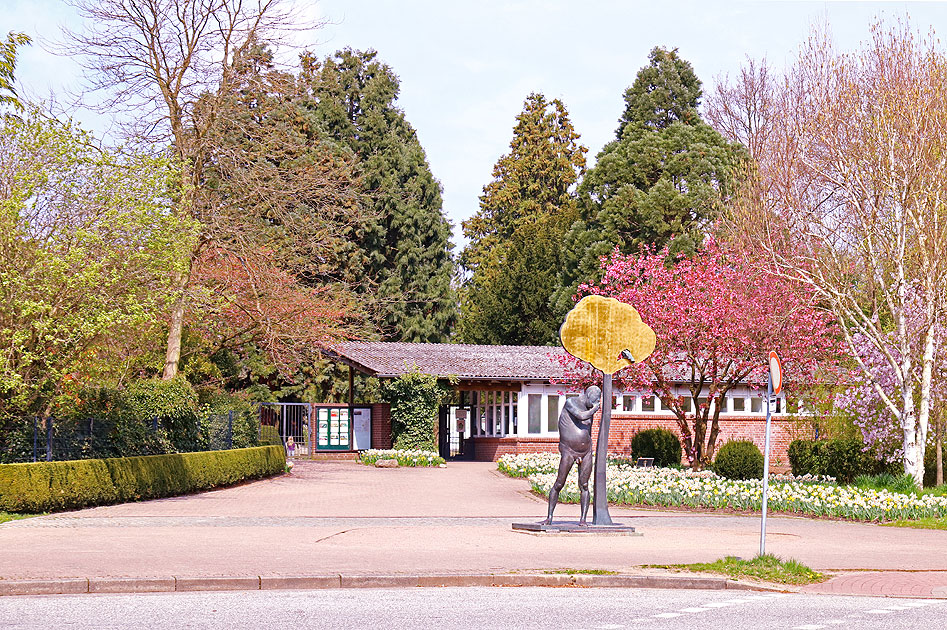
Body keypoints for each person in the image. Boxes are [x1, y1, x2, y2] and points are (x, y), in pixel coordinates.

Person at [542, 385, 602, 526]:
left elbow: (588, 428)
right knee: (559, 483)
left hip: (585, 451)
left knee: (584, 485)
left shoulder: (589, 408)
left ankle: (583, 519)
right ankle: (549, 517)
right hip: (568, 450)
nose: (596, 403)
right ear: (588, 395)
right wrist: (594, 409)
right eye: (595, 400)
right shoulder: (571, 402)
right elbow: (580, 416)